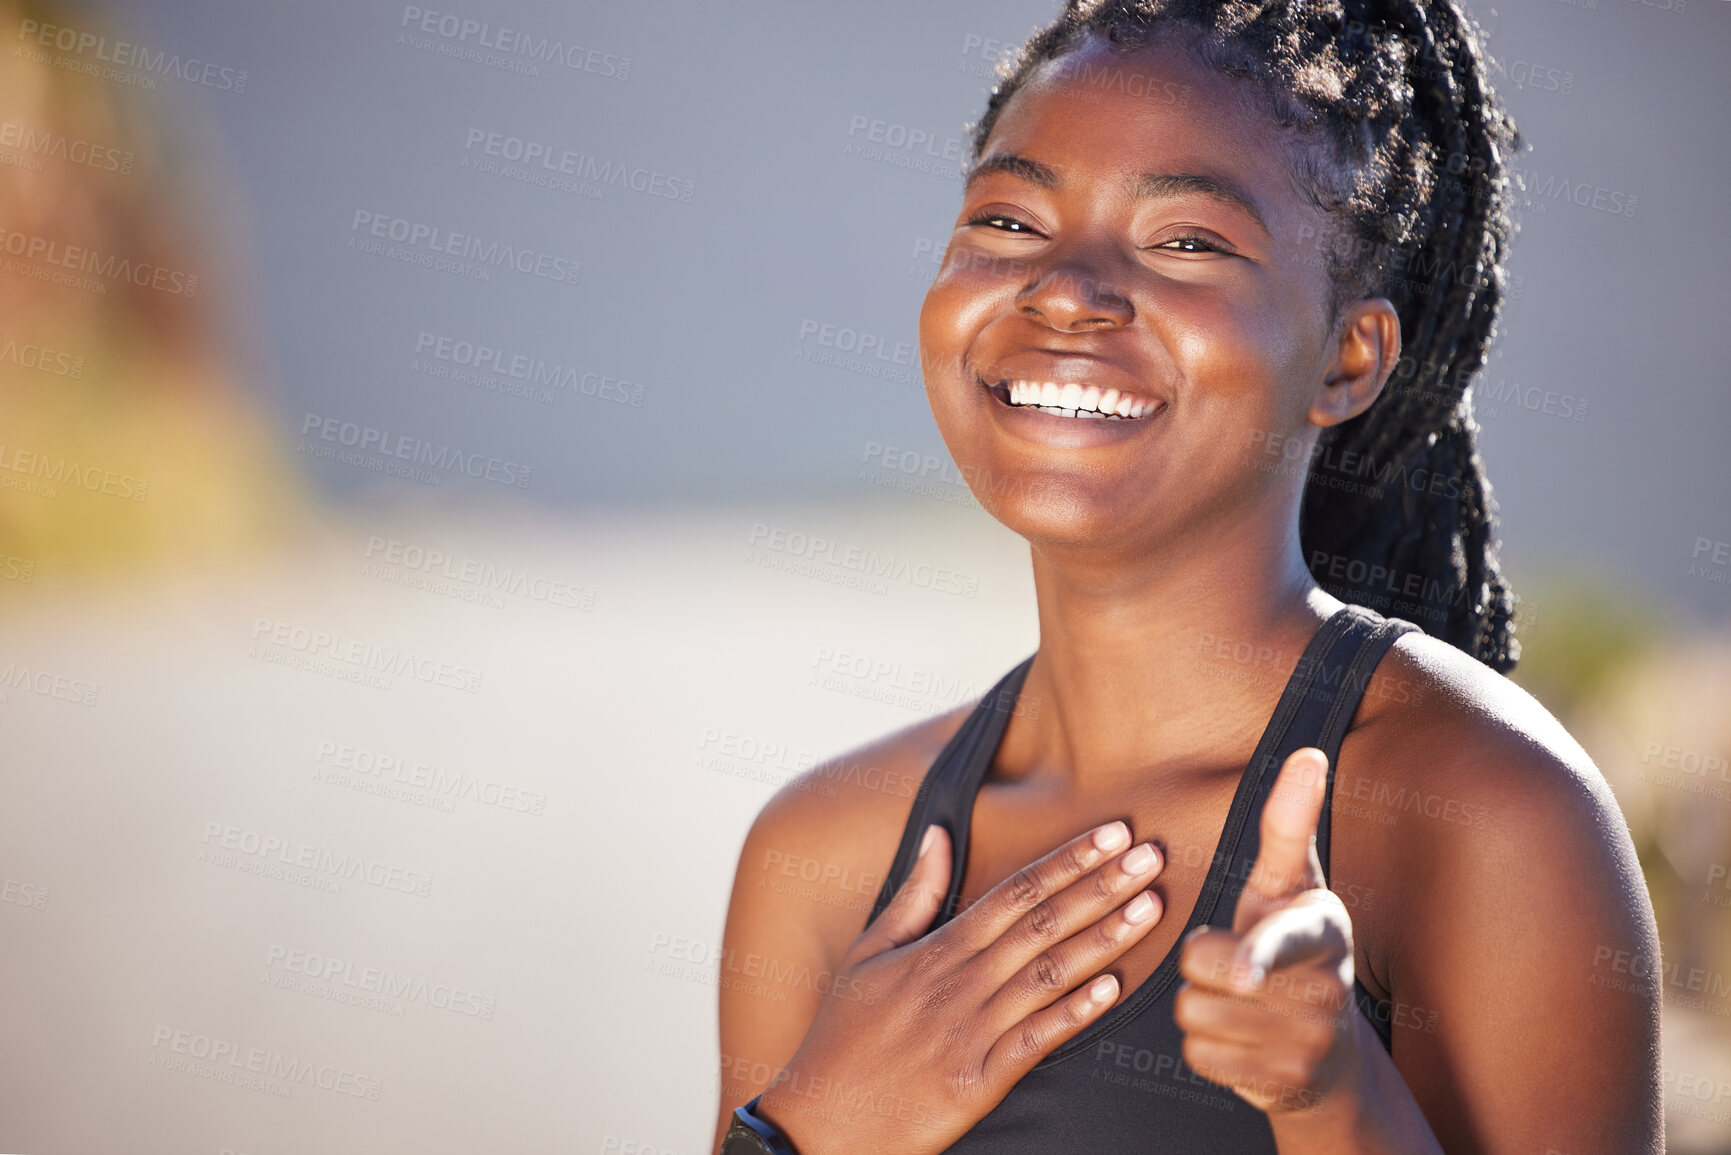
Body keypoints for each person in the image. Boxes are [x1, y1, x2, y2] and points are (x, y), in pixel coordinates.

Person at [714, 2, 1662, 1151]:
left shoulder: (1491, 816)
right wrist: (818, 1120)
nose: (1064, 289)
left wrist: (1333, 1100)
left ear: (1347, 358)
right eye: (1010, 220)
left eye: (1187, 242)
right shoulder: (822, 851)